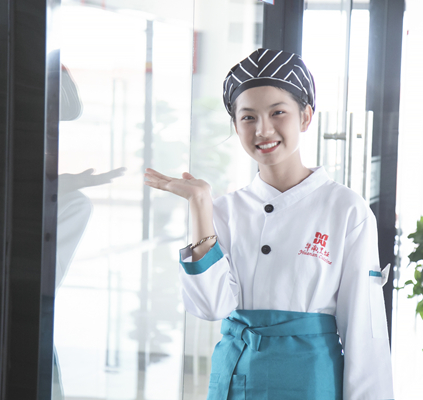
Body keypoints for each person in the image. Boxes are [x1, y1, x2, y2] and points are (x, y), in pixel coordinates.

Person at [144, 48, 393, 400]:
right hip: (235, 379)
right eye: (248, 117)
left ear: (305, 116)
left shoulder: (346, 209)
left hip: (310, 383)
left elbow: (365, 333)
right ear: (235, 126)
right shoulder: (225, 210)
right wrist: (200, 204)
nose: (263, 130)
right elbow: (211, 307)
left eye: (278, 112)